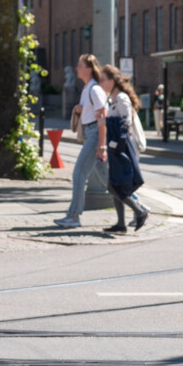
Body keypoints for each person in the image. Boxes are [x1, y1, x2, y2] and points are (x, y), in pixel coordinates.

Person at [56, 53, 109, 229]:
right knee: (108, 179)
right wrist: (81, 109)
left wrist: (101, 145)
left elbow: (103, 117)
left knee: (79, 174)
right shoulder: (87, 89)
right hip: (91, 133)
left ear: (88, 69)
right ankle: (139, 207)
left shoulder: (94, 90)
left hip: (95, 135)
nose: (77, 68)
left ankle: (73, 216)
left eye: (80, 66)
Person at [98, 65, 151, 233]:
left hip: (124, 148)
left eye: (103, 80)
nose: (101, 83)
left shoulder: (121, 97)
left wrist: (105, 121)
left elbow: (126, 122)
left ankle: (140, 211)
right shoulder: (113, 98)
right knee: (114, 184)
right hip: (116, 147)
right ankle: (121, 224)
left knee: (115, 186)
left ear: (112, 80)